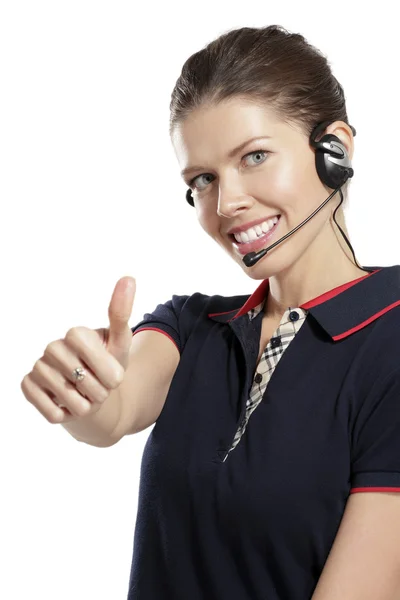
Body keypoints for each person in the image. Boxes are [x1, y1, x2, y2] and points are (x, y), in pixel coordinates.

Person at [20, 24, 400, 600]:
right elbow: (115, 412)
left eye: (254, 157)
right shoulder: (192, 325)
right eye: (203, 180)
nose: (227, 204)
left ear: (335, 151)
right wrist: (82, 392)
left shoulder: (391, 340)